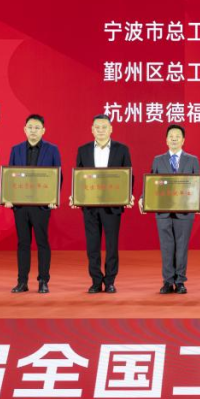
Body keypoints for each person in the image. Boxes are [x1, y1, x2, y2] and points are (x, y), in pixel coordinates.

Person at [71, 114, 133, 294]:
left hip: (113, 205)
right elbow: (79, 177)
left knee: (112, 246)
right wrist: (76, 196)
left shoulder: (122, 150)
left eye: (104, 127)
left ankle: (110, 281)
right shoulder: (83, 150)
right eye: (97, 127)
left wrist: (127, 195)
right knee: (92, 246)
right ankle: (96, 281)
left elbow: (129, 176)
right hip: (90, 205)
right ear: (92, 130)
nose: (100, 130)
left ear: (111, 129)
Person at [140, 124, 200, 294]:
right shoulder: (158, 160)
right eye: (171, 136)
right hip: (163, 210)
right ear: (166, 140)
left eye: (177, 136)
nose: (174, 139)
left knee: (182, 246)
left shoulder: (192, 160)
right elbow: (151, 183)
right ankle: (168, 281)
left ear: (183, 140)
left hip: (185, 210)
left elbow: (197, 184)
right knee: (167, 247)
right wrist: (143, 198)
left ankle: (180, 281)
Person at [6, 114, 62, 294]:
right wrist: (8, 198)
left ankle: (43, 281)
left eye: (37, 128)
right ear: (24, 129)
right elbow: (10, 176)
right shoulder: (16, 150)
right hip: (20, 205)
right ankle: (22, 281)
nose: (33, 131)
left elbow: (58, 176)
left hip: (41, 205)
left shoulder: (52, 150)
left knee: (42, 242)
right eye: (30, 127)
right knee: (23, 243)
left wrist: (54, 199)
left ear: (43, 130)